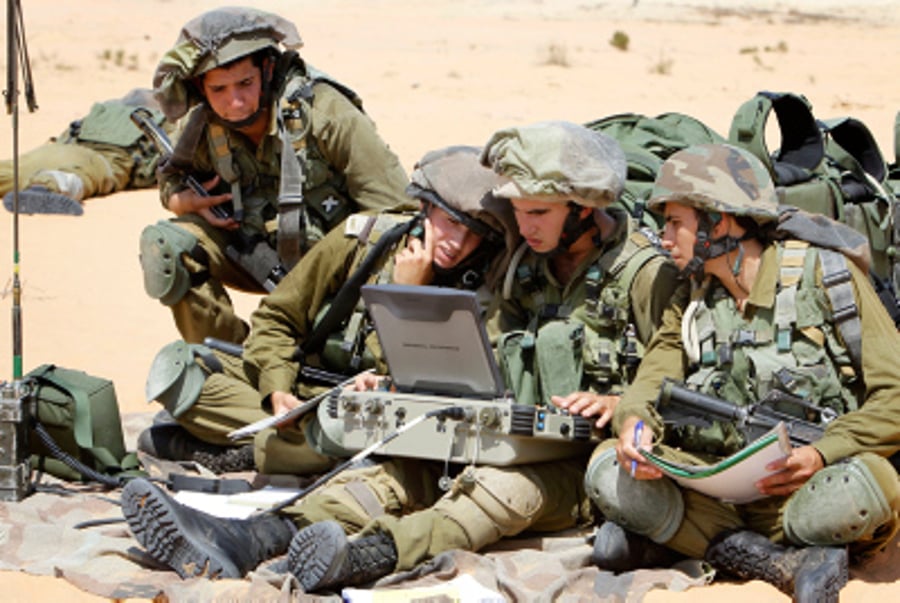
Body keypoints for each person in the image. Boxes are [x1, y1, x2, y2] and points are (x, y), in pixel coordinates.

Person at [122, 121, 681, 592]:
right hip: (509, 433)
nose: (523, 226)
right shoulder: (524, 262)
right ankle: (251, 537)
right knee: (397, 471)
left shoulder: (644, 274)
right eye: (518, 212)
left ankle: (370, 557)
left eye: (537, 213)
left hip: (583, 462)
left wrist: (620, 402)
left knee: (489, 494)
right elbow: (482, 354)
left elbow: (672, 367)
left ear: (583, 211)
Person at [585, 143, 900, 602]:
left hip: (805, 491)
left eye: (676, 222)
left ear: (721, 221)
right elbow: (652, 379)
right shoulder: (691, 297)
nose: (665, 237)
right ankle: (786, 564)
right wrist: (635, 428)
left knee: (868, 488)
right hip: (713, 488)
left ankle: (683, 539)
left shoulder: (826, 276)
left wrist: (822, 454)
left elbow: (894, 396)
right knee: (606, 468)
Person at [136, 144, 513, 476]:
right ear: (425, 207)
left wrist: (407, 295)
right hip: (313, 390)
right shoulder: (364, 238)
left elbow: (456, 386)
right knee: (182, 367)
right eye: (450, 223)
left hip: (383, 415)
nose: (458, 243)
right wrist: (277, 390)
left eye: (475, 233)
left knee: (398, 445)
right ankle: (297, 446)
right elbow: (276, 319)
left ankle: (263, 452)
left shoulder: (489, 286)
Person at [140, 6, 412, 345]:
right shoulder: (200, 124)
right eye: (219, 90)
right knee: (165, 245)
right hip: (250, 256)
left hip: (336, 275)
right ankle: (225, 360)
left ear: (267, 69)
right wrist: (180, 200)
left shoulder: (326, 113)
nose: (235, 102)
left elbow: (397, 214)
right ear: (200, 87)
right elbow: (170, 175)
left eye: (245, 83)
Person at [1, 88, 168, 216]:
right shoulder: (162, 121)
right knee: (72, 178)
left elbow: (67, 135)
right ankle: (42, 189)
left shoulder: (103, 112)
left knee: (11, 171)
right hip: (99, 160)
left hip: (56, 150)